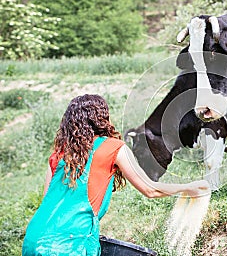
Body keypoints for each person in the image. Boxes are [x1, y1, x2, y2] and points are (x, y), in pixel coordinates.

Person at [22, 94, 209, 256]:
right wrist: (189, 188)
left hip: (34, 238)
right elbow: (150, 190)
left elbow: (48, 202)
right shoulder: (112, 147)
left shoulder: (58, 155)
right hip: (69, 245)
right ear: (102, 118)